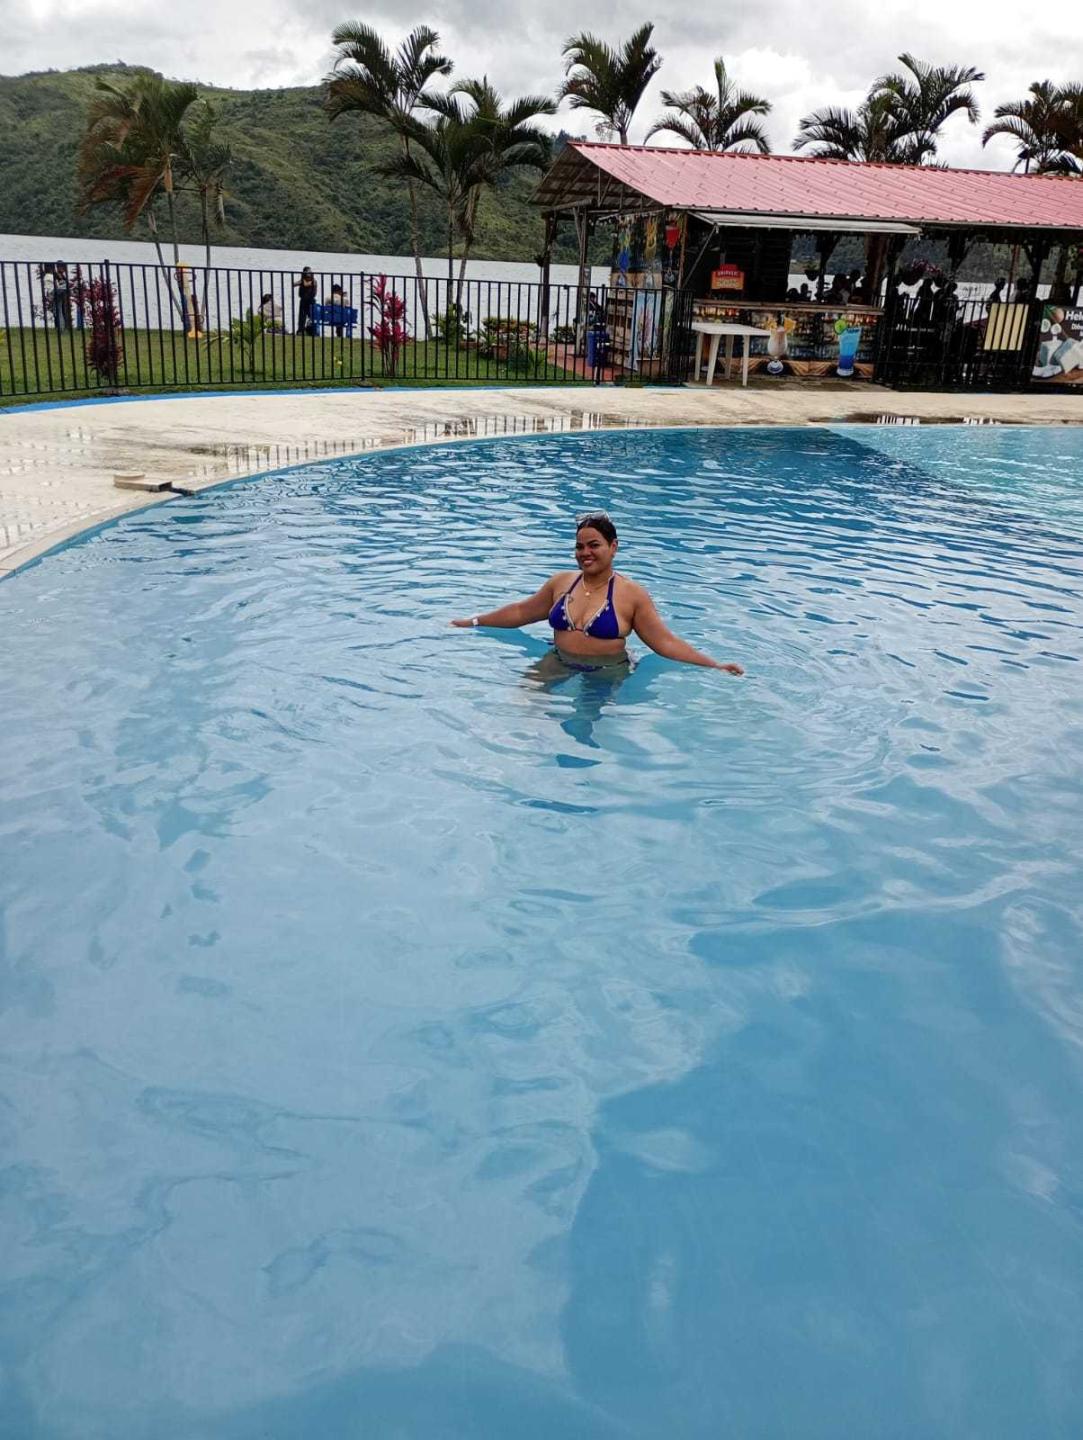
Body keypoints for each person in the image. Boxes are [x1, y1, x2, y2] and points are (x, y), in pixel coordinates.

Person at [451, 511, 744, 675]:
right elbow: (520, 612)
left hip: (607, 670)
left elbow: (664, 642)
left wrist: (715, 665)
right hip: (558, 660)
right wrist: (473, 622)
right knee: (525, 705)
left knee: (584, 725)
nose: (585, 552)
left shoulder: (631, 594)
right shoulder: (561, 583)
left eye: (594, 545)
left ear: (613, 547)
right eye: (579, 547)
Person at [294, 266, 317, 334]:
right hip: (303, 300)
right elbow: (294, 284)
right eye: (306, 273)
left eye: (309, 272)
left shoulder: (313, 280)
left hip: (311, 300)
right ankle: (300, 330)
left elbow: (307, 284)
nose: (308, 274)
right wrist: (301, 279)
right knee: (302, 316)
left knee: (312, 316)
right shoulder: (302, 280)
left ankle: (312, 331)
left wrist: (303, 280)